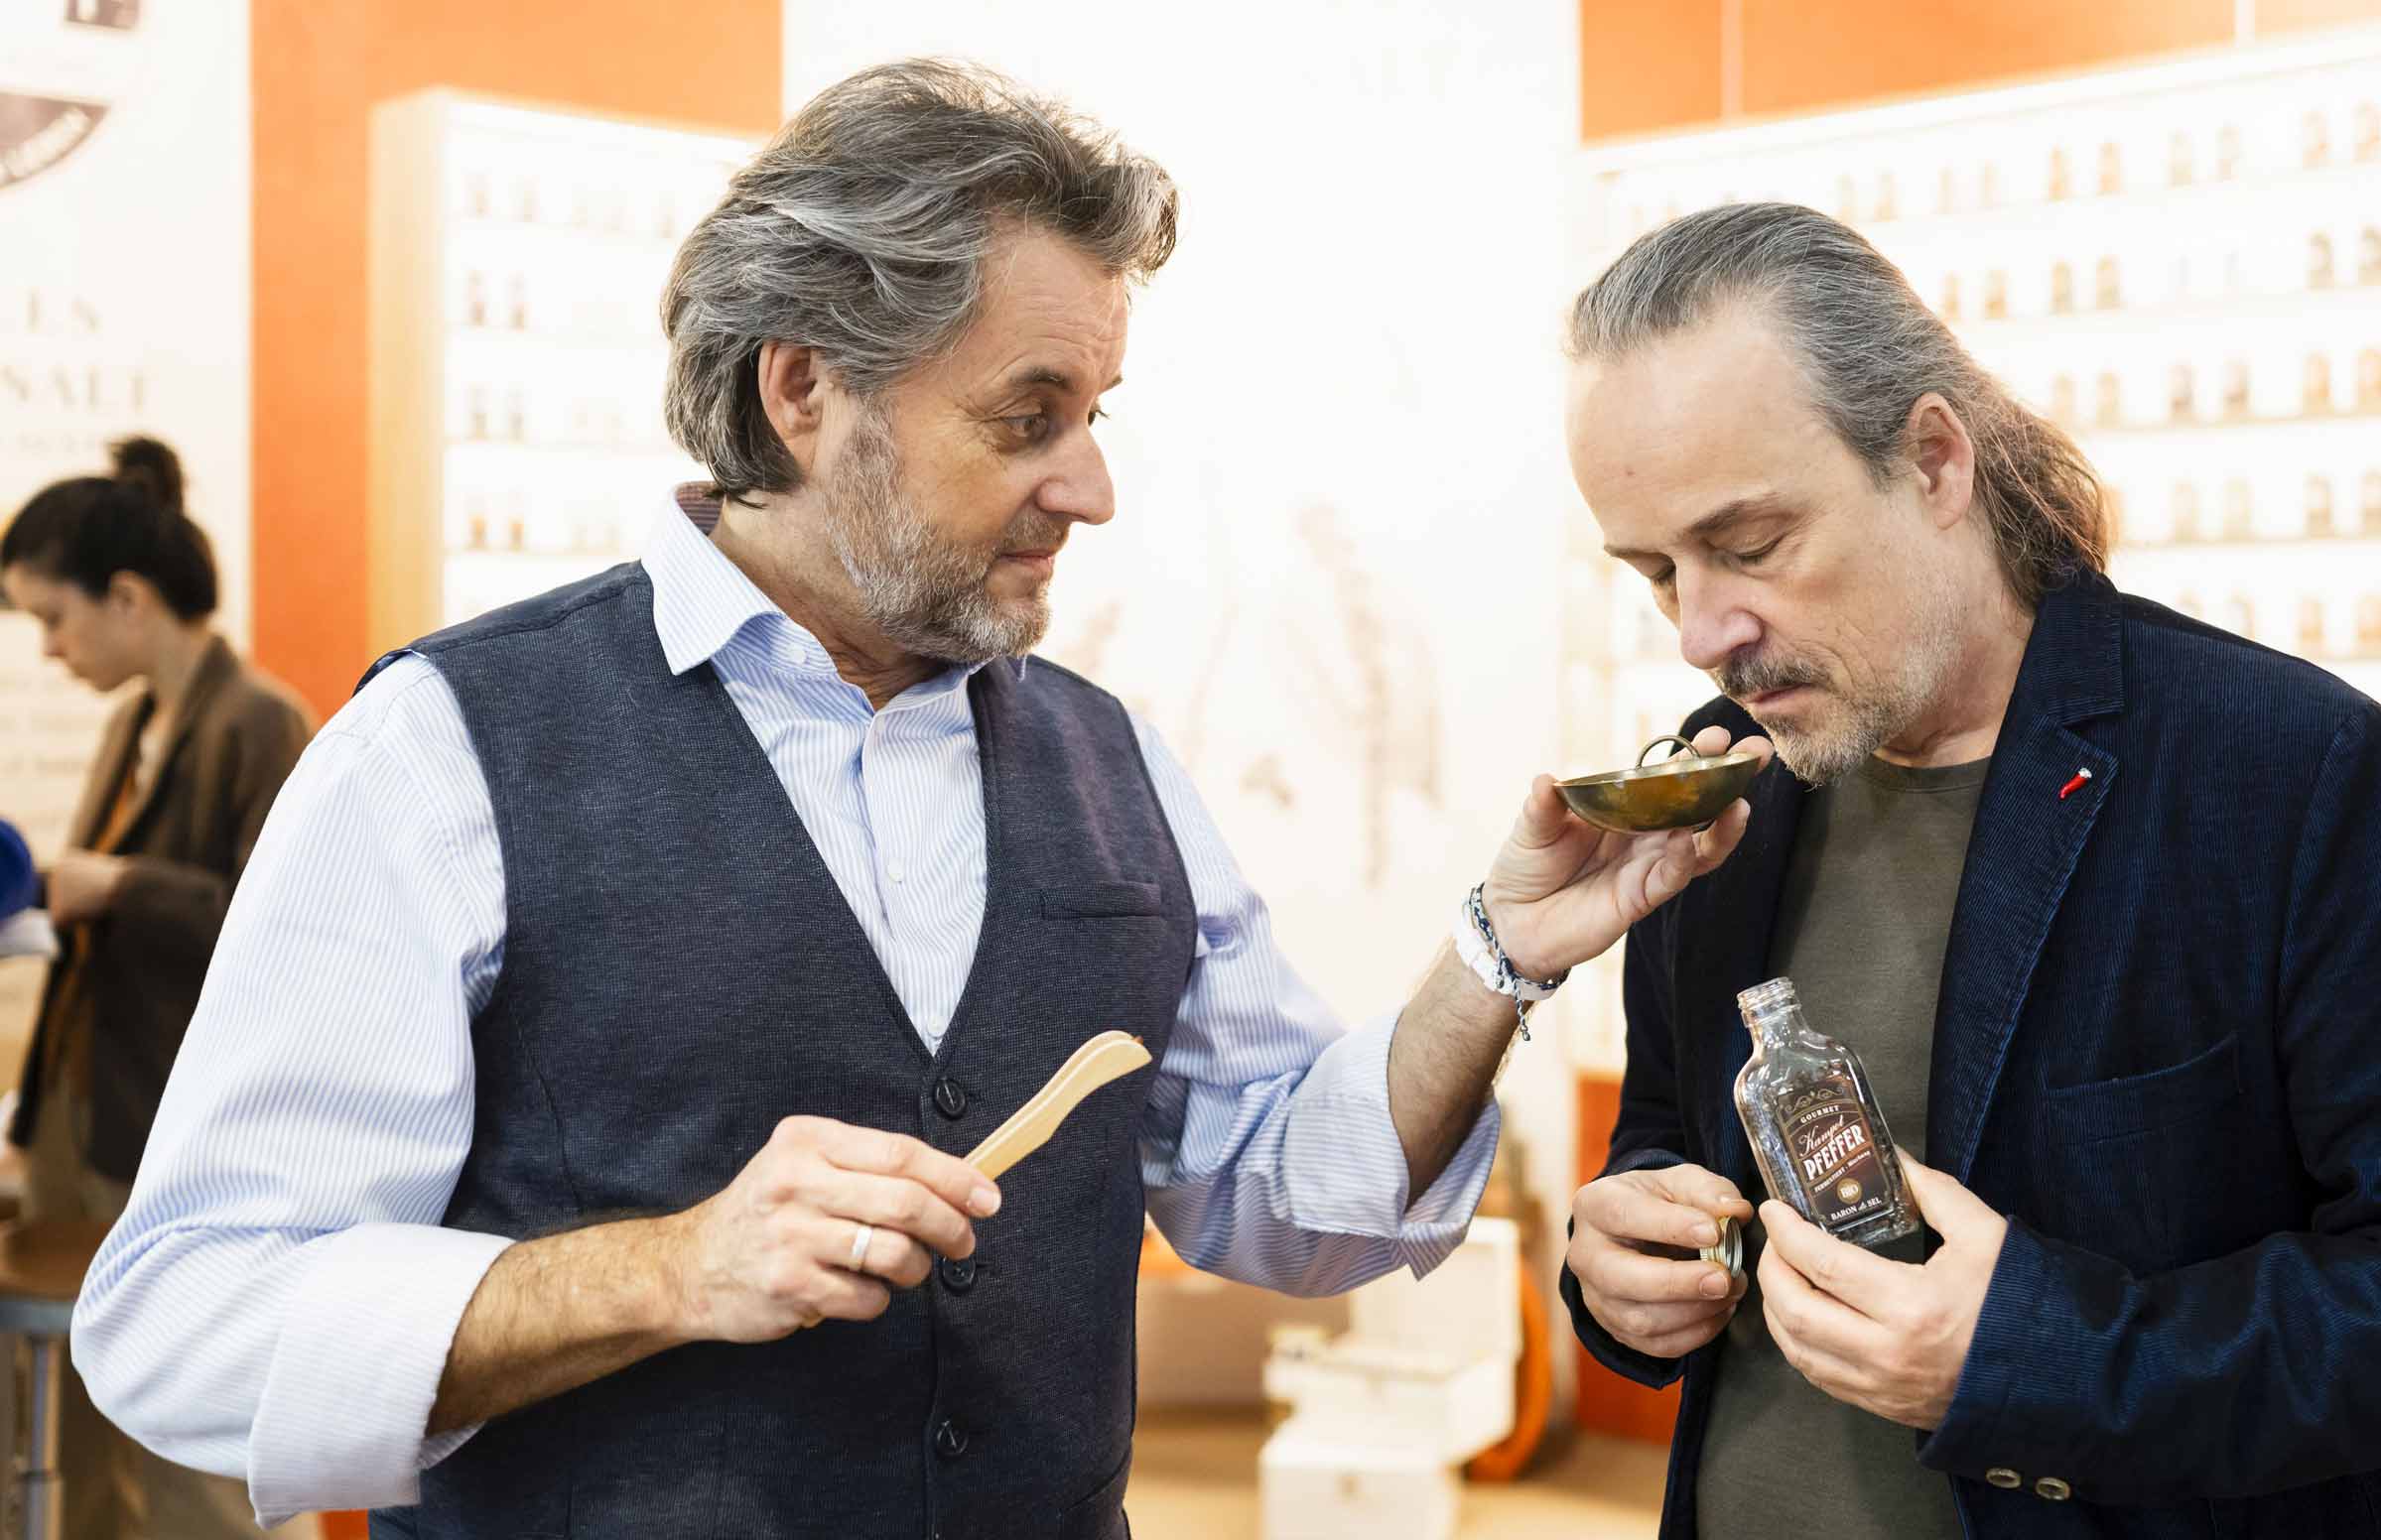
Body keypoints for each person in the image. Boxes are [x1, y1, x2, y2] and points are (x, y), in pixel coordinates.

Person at [71, 61, 1766, 1538]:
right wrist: (662, 1269)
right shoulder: (441, 749)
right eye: (1027, 418)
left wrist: (1498, 956)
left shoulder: (1113, 764)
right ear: (806, 393)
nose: (1091, 487)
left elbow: (1276, 1182)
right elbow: (184, 1314)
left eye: (1094, 414)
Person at [1554, 202, 2381, 1539]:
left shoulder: (2298, 775)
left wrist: (2045, 1356)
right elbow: (1669, 1139)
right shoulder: (1720, 782)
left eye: (1750, 548)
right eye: (1655, 573)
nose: (1704, 631)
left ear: (1933, 460)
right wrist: (1622, 1265)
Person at [0, 436, 313, 1539]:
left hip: (182, 1137)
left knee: (196, 1460)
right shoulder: (137, 722)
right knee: (76, 1441)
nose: (49, 648)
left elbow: (292, 937)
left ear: (126, 598)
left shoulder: (260, 721)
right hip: (91, 1119)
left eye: (54, 618)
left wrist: (121, 883)